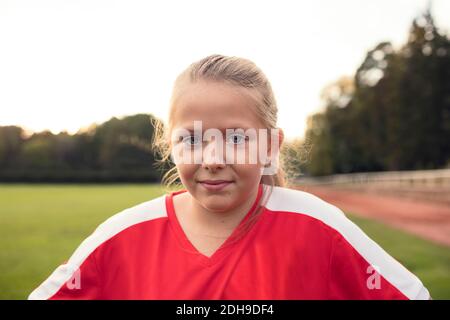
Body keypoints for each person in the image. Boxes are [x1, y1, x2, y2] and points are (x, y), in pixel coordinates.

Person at [29, 54, 430, 300]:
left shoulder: (318, 228)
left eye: (237, 138)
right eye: (192, 138)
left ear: (271, 146)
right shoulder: (122, 237)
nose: (213, 158)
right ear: (170, 144)